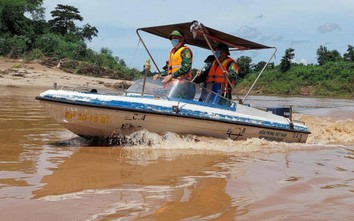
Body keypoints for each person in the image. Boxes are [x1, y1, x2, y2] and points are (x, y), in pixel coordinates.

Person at [153, 30, 195, 99]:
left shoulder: (185, 51)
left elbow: (186, 68)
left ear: (182, 39)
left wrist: (171, 76)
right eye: (172, 39)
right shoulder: (173, 52)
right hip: (173, 85)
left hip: (182, 86)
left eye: (176, 38)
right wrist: (160, 74)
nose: (173, 40)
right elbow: (171, 70)